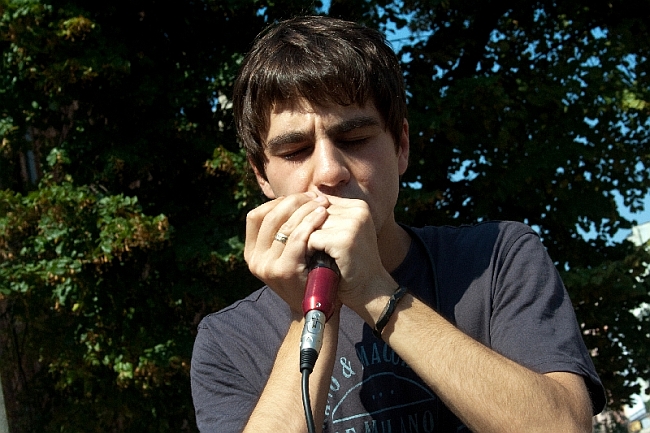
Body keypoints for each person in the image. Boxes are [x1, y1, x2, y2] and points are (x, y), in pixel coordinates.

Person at [191, 15, 606, 433]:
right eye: (295, 150)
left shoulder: (496, 257)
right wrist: (310, 313)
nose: (330, 171)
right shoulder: (228, 340)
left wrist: (375, 291)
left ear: (401, 146)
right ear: (262, 175)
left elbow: (563, 427)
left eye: (355, 140)